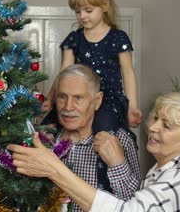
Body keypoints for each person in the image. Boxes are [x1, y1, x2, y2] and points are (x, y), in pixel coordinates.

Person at [9, 92, 180, 211]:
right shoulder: (166, 166)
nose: (154, 127)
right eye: (156, 118)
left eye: (167, 126)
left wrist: (54, 169)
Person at [41, 0, 143, 195]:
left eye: (88, 10)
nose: (82, 16)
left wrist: (132, 105)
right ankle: (54, 180)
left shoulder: (118, 37)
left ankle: (102, 186)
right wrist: (51, 98)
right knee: (50, 125)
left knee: (103, 134)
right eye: (78, 11)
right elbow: (64, 73)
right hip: (81, 95)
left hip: (108, 100)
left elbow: (128, 72)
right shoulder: (74, 38)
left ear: (104, 5)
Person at [40, 64, 141, 211]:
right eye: (62, 97)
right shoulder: (46, 139)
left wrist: (118, 164)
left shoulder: (119, 140)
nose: (68, 107)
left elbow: (136, 206)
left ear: (97, 100)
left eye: (78, 98)